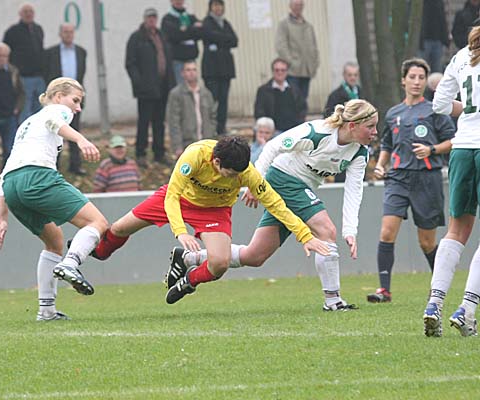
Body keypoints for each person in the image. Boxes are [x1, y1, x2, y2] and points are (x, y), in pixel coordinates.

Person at [174, 100, 378, 311]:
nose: (375, 132)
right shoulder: (318, 132)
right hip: (283, 179)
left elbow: (354, 190)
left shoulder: (359, 152)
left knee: (255, 256)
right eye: (370, 126)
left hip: (299, 189)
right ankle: (333, 301)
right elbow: (273, 146)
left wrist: (350, 230)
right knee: (326, 230)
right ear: (352, 125)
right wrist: (257, 182)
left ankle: (190, 258)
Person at [89, 136, 329, 304]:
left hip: (215, 211)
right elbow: (172, 195)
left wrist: (304, 235)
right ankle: (96, 252)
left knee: (220, 264)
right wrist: (181, 231)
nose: (235, 178)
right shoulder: (195, 155)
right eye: (230, 174)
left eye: (238, 174)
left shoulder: (246, 172)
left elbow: (275, 203)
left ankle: (189, 281)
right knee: (119, 228)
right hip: (179, 199)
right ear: (216, 162)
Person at [0, 77, 108, 322]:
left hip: (12, 186)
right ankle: (71, 264)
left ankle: (46, 310)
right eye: (75, 100)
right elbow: (55, 121)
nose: (77, 108)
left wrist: (1, 217)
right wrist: (81, 139)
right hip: (37, 177)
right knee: (97, 223)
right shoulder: (56, 110)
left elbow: (8, 166)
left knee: (54, 241)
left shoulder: (26, 124)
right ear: (58, 96)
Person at [368, 58, 454, 304]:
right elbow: (387, 144)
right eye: (412, 77)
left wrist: (432, 150)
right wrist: (381, 165)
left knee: (426, 242)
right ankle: (384, 291)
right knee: (387, 232)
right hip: (398, 177)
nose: (417, 82)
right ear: (403, 81)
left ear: (425, 82)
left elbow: (453, 140)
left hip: (427, 179)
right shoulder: (393, 113)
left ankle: (438, 288)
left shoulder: (435, 110)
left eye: (421, 78)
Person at [423, 26, 480, 337]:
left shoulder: (461, 57)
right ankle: (467, 309)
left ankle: (434, 303)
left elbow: (440, 105)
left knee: (456, 230)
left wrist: (470, 110)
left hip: (462, 149)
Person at [126, 7, 176, 168]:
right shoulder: (137, 38)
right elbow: (130, 63)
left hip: (162, 87)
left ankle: (159, 153)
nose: (152, 20)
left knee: (159, 122)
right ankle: (140, 153)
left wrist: (171, 82)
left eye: (154, 17)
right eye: (149, 17)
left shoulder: (162, 36)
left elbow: (168, 60)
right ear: (144, 19)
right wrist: (139, 83)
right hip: (146, 89)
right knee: (144, 122)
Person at [44, 23, 88, 176]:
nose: (68, 34)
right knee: (57, 131)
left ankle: (75, 165)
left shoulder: (81, 52)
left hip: (74, 98)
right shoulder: (51, 53)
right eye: (65, 32)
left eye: (70, 32)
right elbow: (47, 73)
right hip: (58, 98)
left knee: (74, 130)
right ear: (60, 34)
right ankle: (54, 166)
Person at [3, 3, 45, 122]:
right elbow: (6, 53)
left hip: (39, 77)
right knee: (25, 112)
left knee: (41, 110)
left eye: (30, 11)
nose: (28, 14)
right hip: (23, 78)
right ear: (20, 14)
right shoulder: (12, 31)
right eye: (25, 12)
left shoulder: (38, 29)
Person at [201, 0, 237, 136]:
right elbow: (209, 35)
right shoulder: (207, 22)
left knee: (223, 101)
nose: (218, 8)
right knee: (211, 101)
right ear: (210, 7)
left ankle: (221, 128)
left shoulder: (225, 23)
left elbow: (234, 40)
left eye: (220, 5)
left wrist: (219, 41)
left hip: (225, 70)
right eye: (215, 5)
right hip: (211, 70)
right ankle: (210, 128)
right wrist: (224, 40)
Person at [167, 60, 217, 158]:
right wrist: (177, 146)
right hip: (187, 145)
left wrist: (210, 134)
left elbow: (213, 116)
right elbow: (173, 122)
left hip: (205, 143)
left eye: (194, 70)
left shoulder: (206, 93)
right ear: (182, 73)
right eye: (188, 70)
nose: (191, 72)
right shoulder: (176, 94)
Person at [275, 0, 319, 107]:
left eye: (300, 5)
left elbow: (314, 46)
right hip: (292, 72)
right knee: (293, 100)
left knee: (303, 101)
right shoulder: (284, 24)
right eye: (296, 4)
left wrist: (314, 63)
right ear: (290, 6)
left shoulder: (308, 26)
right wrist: (291, 62)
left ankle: (302, 117)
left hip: (307, 70)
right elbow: (281, 46)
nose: (298, 7)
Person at [254, 58, 306, 134]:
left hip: (294, 131)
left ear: (287, 72)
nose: (280, 73)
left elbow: (302, 108)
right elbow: (259, 112)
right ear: (273, 71)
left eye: (283, 70)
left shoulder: (295, 89)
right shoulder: (263, 91)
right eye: (277, 70)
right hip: (274, 132)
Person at [161, 0, 202, 84]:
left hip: (191, 59)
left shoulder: (191, 17)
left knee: (192, 87)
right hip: (177, 60)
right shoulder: (167, 19)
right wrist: (192, 29)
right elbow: (174, 35)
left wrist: (185, 30)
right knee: (181, 88)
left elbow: (200, 33)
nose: (178, 1)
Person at [419, 0, 449, 73]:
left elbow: (442, 20)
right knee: (422, 69)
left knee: (437, 70)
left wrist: (445, 39)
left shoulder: (439, 2)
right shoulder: (420, 3)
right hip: (423, 40)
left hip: (437, 40)